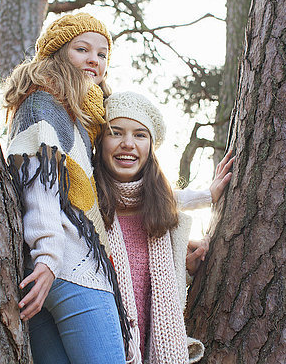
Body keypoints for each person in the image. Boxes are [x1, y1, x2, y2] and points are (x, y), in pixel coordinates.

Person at [3, 12, 130, 363]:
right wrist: (48, 257)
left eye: (102, 54)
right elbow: (39, 184)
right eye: (82, 49)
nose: (95, 59)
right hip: (71, 270)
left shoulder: (76, 118)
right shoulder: (47, 103)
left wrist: (203, 197)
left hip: (44, 275)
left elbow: (122, 193)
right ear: (59, 53)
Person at [94, 91, 234, 363]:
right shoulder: (88, 208)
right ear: (100, 142)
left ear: (151, 146)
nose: (127, 143)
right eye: (115, 132)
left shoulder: (162, 215)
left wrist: (186, 267)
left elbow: (159, 291)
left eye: (140, 135)